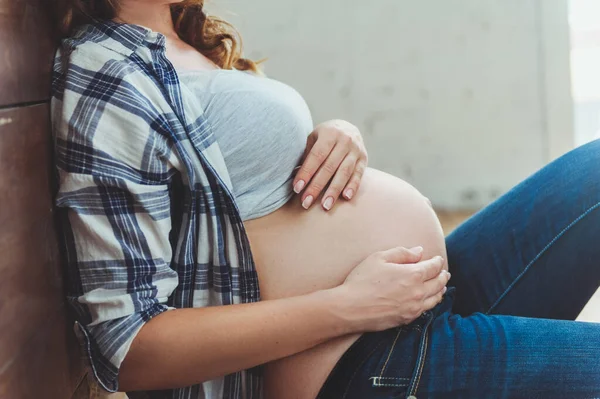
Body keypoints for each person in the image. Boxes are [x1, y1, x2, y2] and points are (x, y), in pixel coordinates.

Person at [52, 1, 600, 398]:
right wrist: (352, 306)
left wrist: (338, 133)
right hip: (359, 359)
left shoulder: (184, 38)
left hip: (405, 300)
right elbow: (130, 348)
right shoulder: (104, 70)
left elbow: (253, 181)